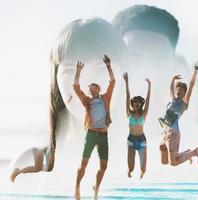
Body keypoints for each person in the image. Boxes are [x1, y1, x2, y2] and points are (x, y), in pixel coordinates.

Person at [9, 18, 126, 183]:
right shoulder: (29, 165)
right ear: (56, 80)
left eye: (101, 68)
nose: (87, 84)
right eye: (69, 70)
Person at [74, 55, 115, 200]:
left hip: (104, 136)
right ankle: (77, 187)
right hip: (91, 134)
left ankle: (96, 189)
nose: (91, 91)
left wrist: (109, 66)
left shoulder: (106, 98)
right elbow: (76, 88)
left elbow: (113, 82)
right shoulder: (87, 101)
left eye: (93, 88)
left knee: (104, 167)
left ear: (98, 89)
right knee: (83, 163)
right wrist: (78, 71)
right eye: (89, 89)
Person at [159, 66, 198, 166]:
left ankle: (194, 152)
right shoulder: (172, 99)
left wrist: (195, 72)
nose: (179, 91)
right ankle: (188, 152)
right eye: (177, 89)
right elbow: (171, 89)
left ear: (184, 93)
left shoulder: (184, 102)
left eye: (181, 90)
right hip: (164, 132)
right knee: (164, 161)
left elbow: (191, 86)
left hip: (173, 133)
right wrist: (173, 79)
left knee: (173, 163)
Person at [123, 72, 151, 178]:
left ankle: (141, 176)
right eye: (134, 102)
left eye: (138, 102)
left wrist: (149, 85)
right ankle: (129, 172)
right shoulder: (129, 113)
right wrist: (126, 82)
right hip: (131, 139)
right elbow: (127, 96)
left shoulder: (144, 114)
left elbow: (148, 99)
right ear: (132, 104)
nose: (136, 104)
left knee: (143, 170)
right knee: (131, 168)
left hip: (141, 139)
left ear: (140, 105)